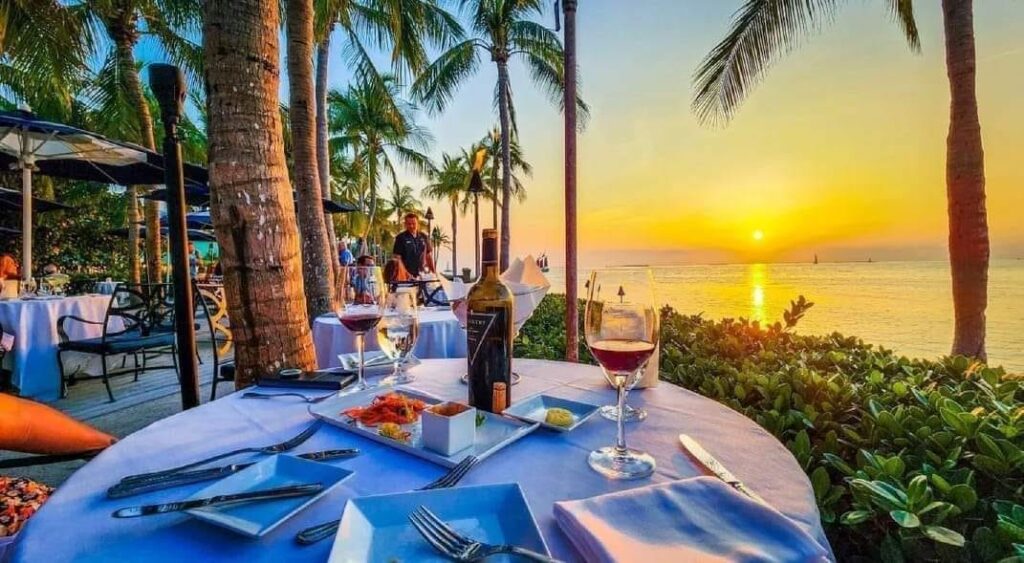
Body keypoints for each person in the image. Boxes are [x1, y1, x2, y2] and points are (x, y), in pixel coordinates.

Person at [392, 212, 434, 278]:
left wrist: (434, 272)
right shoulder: (400, 238)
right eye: (409, 224)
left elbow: (428, 257)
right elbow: (397, 259)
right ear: (405, 224)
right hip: (405, 276)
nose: (411, 226)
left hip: (422, 275)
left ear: (417, 223)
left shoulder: (424, 237)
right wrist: (407, 274)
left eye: (414, 224)